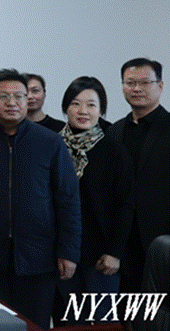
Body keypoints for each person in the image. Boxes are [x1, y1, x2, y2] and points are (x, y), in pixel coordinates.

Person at [0, 69, 80, 329]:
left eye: (18, 96)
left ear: (28, 100)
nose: (11, 102)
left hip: (39, 258)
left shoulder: (50, 141)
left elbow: (68, 199)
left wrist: (69, 251)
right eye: (3, 96)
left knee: (33, 324)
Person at [54, 77, 132, 324]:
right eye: (75, 103)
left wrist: (114, 252)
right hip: (61, 251)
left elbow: (125, 205)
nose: (83, 111)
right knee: (67, 320)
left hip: (101, 255)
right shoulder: (53, 146)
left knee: (102, 320)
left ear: (101, 110)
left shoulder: (114, 150)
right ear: (66, 108)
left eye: (91, 105)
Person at [107, 57, 169, 292]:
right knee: (125, 309)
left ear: (160, 86)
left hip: (162, 240)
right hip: (121, 245)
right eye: (130, 83)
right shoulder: (114, 131)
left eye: (144, 83)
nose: (136, 89)